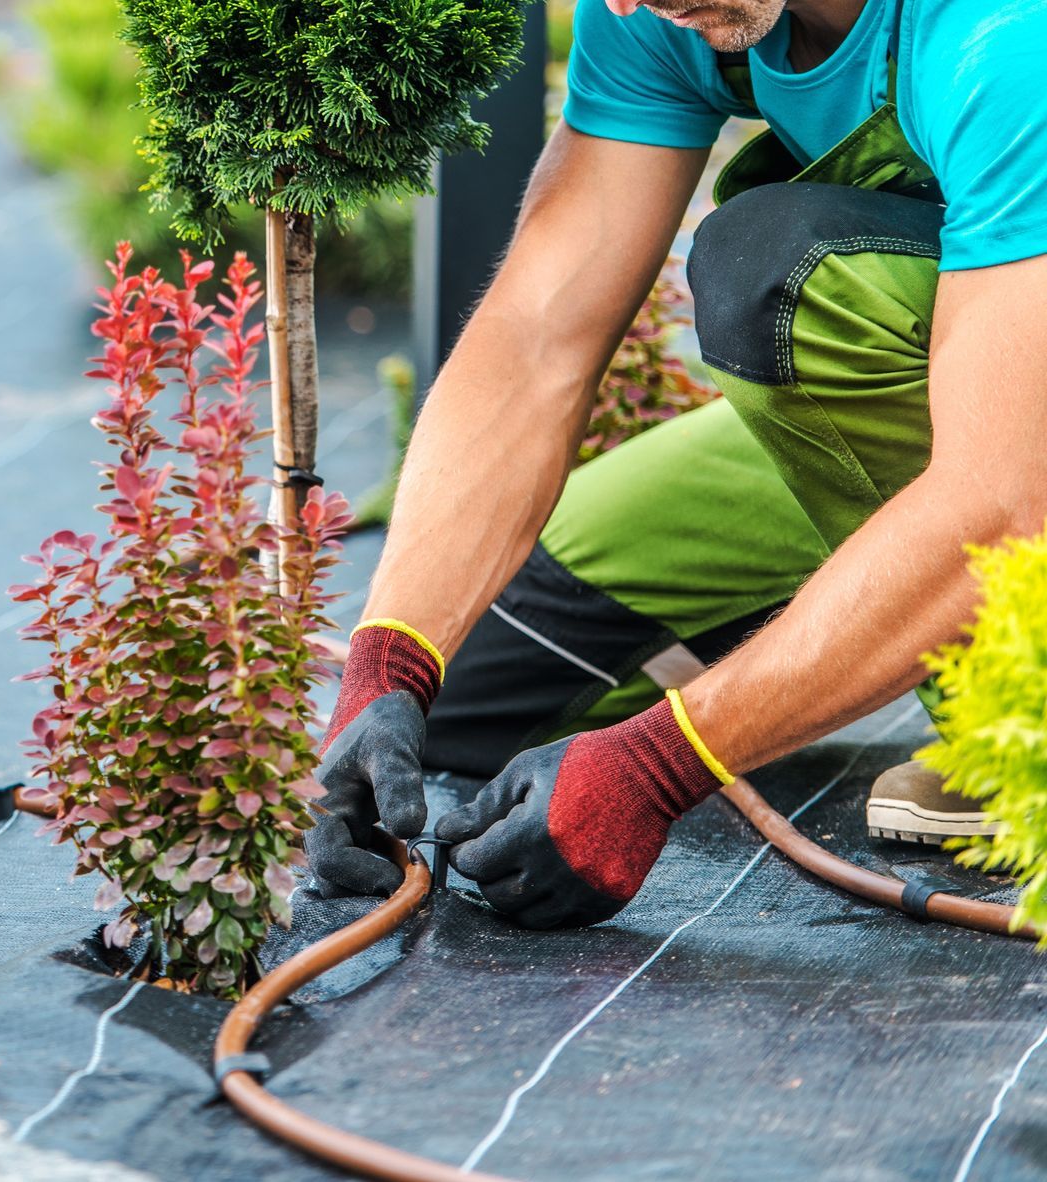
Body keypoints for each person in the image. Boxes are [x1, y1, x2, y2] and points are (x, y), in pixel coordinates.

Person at [309, 0, 1047, 927]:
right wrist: (388, 661)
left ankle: (1020, 733)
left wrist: (663, 762)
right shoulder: (663, 5)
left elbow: (1004, 501)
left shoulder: (1007, 37)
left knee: (784, 277)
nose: (620, 1)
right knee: (475, 691)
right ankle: (850, 625)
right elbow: (539, 336)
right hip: (955, 383)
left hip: (1015, 437)